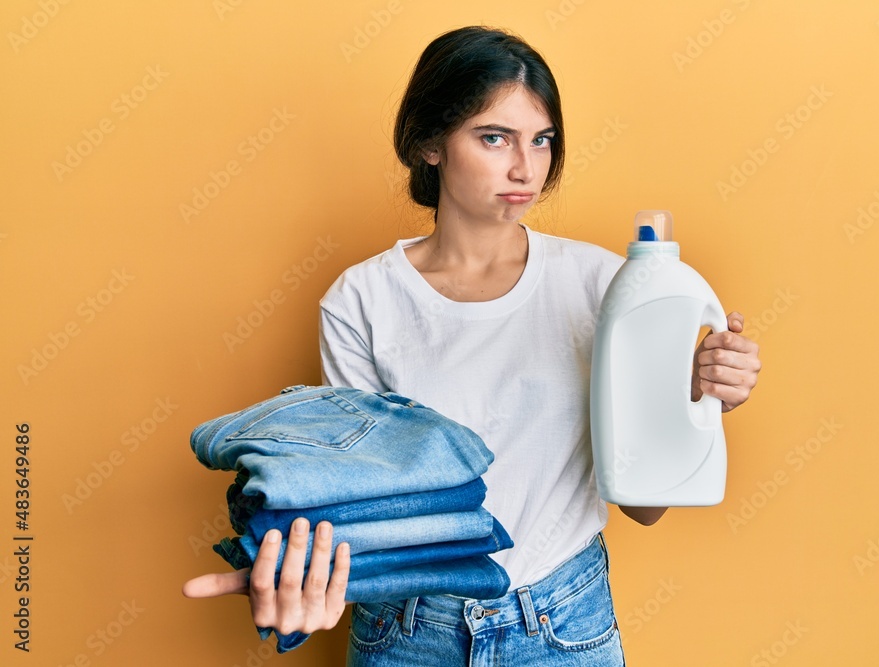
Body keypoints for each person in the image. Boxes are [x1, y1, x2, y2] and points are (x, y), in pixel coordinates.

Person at [183, 25, 761, 664]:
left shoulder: (601, 286)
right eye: (495, 138)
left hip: (563, 625)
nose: (526, 168)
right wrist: (313, 582)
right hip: (407, 632)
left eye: (541, 141)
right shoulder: (362, 301)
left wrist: (691, 399)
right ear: (431, 144)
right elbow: (358, 503)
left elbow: (644, 508)